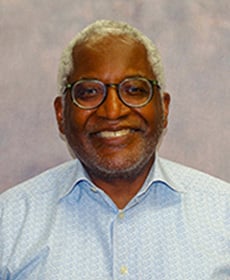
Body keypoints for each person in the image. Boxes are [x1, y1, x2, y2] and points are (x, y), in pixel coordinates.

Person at [0, 19, 229, 280]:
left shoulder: (223, 213)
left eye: (133, 89)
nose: (112, 111)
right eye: (89, 92)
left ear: (164, 108)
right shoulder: (10, 221)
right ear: (61, 114)